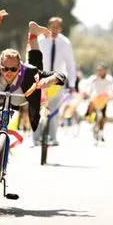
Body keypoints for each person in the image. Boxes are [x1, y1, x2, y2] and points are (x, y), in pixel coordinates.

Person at [35, 16, 77, 146]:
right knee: (36, 108)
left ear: (61, 28)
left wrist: (71, 84)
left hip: (57, 80)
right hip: (41, 78)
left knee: (54, 110)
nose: (54, 30)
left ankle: (53, 138)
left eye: (57, 27)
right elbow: (32, 58)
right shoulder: (40, 40)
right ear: (48, 26)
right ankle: (35, 139)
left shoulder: (65, 43)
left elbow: (70, 64)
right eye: (52, 27)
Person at [82, 62, 113, 141]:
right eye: (99, 70)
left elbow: (112, 88)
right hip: (94, 98)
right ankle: (91, 122)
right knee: (91, 110)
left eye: (102, 70)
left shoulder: (108, 79)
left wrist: (111, 94)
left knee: (103, 117)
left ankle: (101, 133)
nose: (100, 72)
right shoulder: (93, 78)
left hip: (103, 99)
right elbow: (86, 85)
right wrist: (85, 92)